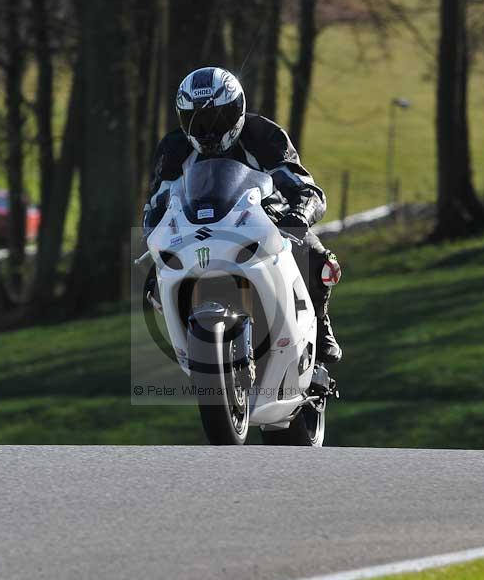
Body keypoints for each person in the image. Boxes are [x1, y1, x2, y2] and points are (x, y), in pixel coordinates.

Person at [143, 66, 342, 364]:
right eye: (195, 121)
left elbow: (305, 187)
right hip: (194, 229)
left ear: (238, 109)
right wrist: (152, 233)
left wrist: (300, 214)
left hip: (263, 221)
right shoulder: (173, 148)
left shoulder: (264, 135)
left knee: (314, 253)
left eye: (218, 118)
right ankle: (187, 344)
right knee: (152, 284)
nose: (208, 131)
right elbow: (157, 201)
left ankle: (320, 322)